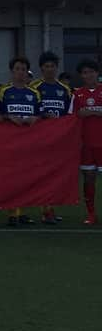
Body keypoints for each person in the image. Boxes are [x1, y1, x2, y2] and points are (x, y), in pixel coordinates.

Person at [0, 56, 41, 227]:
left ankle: (21, 211)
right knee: (12, 176)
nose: (20, 72)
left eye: (23, 69)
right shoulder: (3, 91)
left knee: (27, 176)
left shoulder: (34, 93)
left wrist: (34, 119)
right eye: (17, 69)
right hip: (9, 141)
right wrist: (9, 116)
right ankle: (12, 213)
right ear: (12, 71)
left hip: (29, 141)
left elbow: (40, 114)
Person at [31, 50, 73, 225]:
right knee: (38, 174)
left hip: (57, 140)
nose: (49, 69)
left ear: (57, 68)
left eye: (53, 66)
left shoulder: (64, 90)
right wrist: (44, 116)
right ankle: (42, 210)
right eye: (46, 66)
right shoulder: (34, 88)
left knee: (53, 175)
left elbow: (69, 116)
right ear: (41, 68)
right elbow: (31, 112)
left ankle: (49, 209)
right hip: (38, 139)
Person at [73, 58, 102, 225]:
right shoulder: (77, 94)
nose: (88, 75)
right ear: (81, 76)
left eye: (91, 71)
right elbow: (70, 118)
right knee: (89, 179)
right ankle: (91, 214)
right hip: (86, 144)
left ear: (97, 73)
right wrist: (79, 114)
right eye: (85, 72)